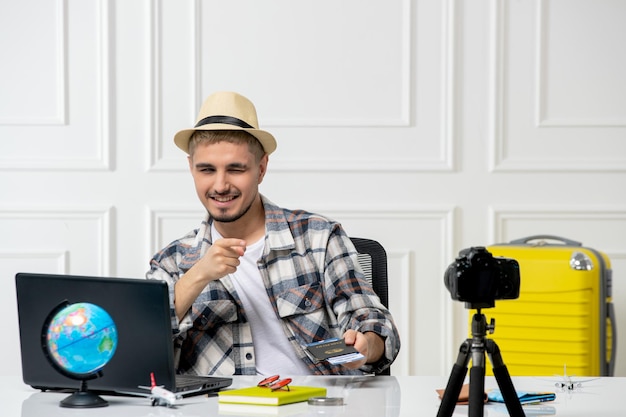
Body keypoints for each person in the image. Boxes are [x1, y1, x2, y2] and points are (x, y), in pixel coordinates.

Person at [146, 91, 400, 376]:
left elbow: (376, 324)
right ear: (191, 169)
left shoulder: (319, 237)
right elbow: (143, 353)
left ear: (261, 168)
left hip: (316, 406)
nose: (220, 185)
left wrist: (366, 345)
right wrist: (197, 275)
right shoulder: (172, 262)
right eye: (207, 169)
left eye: (236, 169)